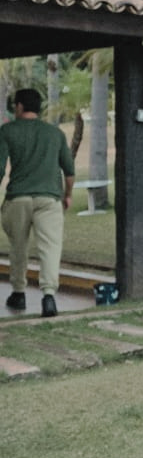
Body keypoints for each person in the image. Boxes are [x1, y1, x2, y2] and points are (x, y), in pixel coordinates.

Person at [1, 87, 75, 317]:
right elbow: (69, 171)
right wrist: (67, 194)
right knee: (50, 248)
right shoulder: (55, 134)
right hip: (49, 199)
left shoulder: (7, 131)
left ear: (20, 106)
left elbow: (0, 169)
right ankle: (49, 297)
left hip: (19, 198)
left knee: (18, 246)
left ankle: (19, 293)